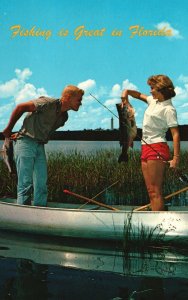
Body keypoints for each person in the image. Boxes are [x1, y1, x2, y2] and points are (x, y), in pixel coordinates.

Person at [3, 85, 84, 206]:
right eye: (79, 99)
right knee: (25, 184)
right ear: (68, 97)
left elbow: (43, 129)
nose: (81, 103)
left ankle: (40, 212)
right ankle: (23, 213)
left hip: (39, 145)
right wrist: (8, 130)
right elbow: (21, 107)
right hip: (25, 142)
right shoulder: (47, 103)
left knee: (41, 184)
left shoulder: (64, 117)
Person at [121, 75, 180, 211]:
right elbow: (138, 95)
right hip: (145, 147)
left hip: (158, 147)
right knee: (150, 191)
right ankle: (155, 218)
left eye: (152, 88)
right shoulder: (153, 101)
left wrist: (176, 158)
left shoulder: (169, 109)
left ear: (161, 89)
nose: (150, 91)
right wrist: (125, 94)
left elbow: (175, 134)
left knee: (155, 191)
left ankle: (158, 223)